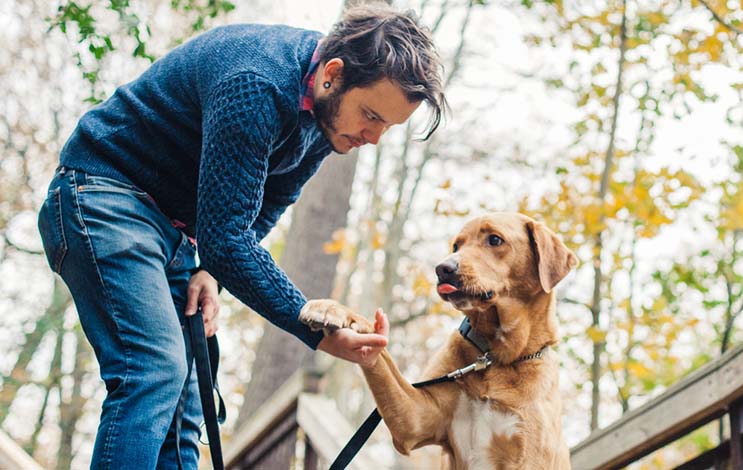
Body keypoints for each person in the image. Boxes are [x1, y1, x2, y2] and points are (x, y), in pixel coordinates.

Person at [36, 4, 445, 469]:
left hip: (172, 234)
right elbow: (228, 237)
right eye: (371, 115)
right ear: (332, 74)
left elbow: (264, 204)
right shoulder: (257, 82)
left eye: (387, 126)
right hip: (102, 197)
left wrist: (211, 272)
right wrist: (310, 327)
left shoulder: (327, 119)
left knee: (185, 409)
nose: (373, 137)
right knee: (154, 371)